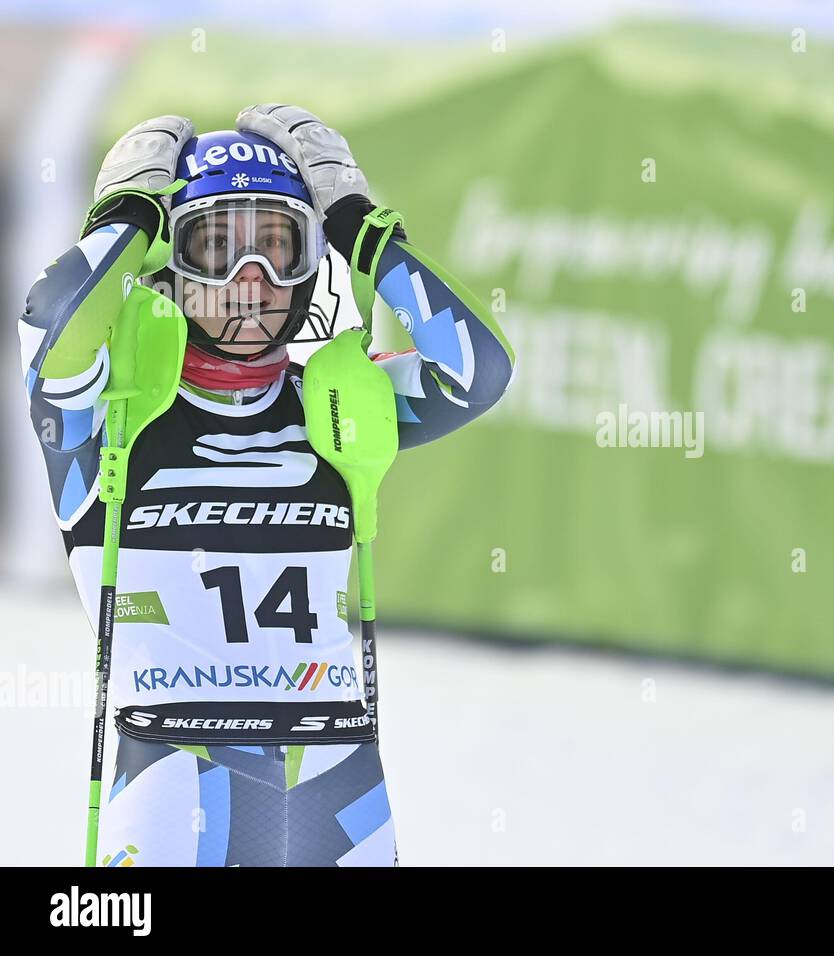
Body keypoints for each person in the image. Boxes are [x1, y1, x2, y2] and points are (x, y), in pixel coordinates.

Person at [17, 106, 515, 866]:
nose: (252, 282)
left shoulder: (339, 400)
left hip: (336, 778)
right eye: (215, 247)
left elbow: (479, 372)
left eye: (279, 247)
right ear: (167, 261)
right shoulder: (103, 409)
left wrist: (358, 227)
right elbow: (53, 318)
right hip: (175, 772)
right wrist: (123, 215)